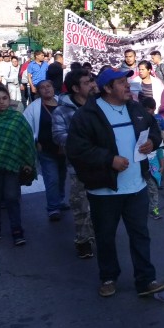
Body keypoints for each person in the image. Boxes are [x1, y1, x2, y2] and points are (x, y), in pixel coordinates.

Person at [66, 67, 164, 298]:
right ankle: (108, 277)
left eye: (126, 81)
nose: (127, 86)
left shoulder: (136, 108)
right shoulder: (87, 114)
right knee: (105, 237)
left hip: (136, 187)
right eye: (121, 82)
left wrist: (152, 142)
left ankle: (146, 280)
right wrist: (108, 159)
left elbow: (154, 129)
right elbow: (76, 150)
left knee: (140, 235)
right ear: (107, 88)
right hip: (104, 190)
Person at [0, 83, 37, 245]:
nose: (1, 102)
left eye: (4, 98)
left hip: (13, 165)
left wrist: (27, 162)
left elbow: (26, 141)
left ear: (9, 99)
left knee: (11, 197)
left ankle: (17, 230)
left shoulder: (17, 118)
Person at [52, 69, 98, 258]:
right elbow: (58, 136)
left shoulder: (99, 105)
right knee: (81, 206)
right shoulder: (61, 110)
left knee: (101, 205)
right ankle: (83, 240)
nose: (92, 85)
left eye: (91, 81)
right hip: (78, 167)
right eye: (87, 82)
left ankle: (99, 236)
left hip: (102, 164)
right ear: (75, 88)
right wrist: (80, 141)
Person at [23, 80, 67, 221]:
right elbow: (27, 128)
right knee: (52, 178)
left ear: (53, 88)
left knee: (61, 176)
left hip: (64, 149)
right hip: (46, 149)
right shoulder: (34, 108)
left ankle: (59, 200)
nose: (46, 89)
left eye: (49, 86)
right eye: (42, 87)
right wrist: (35, 142)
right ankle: (53, 207)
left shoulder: (63, 102)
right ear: (38, 91)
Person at [141, 96, 164, 220]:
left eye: (151, 109)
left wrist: (162, 165)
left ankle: (154, 209)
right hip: (140, 163)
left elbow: (160, 150)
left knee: (153, 188)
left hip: (153, 163)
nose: (148, 112)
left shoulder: (155, 129)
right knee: (142, 189)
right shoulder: (137, 126)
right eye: (146, 109)